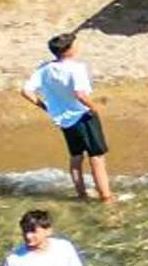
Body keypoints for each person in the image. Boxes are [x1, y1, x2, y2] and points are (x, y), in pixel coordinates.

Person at [22, 31, 114, 203]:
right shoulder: (76, 68)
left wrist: (46, 107)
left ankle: (81, 195)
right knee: (97, 157)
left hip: (64, 120)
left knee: (76, 157)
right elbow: (80, 94)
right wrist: (95, 108)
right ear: (69, 50)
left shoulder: (44, 69)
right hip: (83, 115)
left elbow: (25, 91)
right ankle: (106, 197)